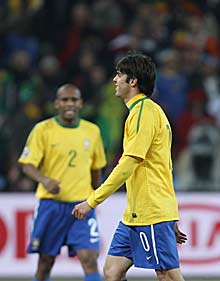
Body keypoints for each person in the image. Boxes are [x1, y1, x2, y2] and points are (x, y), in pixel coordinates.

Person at [71, 53, 187, 281]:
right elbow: (165, 166)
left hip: (151, 210)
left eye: (119, 75)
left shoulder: (144, 113)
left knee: (167, 275)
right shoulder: (143, 112)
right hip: (136, 213)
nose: (115, 79)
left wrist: (92, 201)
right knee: (112, 271)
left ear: (132, 81)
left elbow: (128, 164)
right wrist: (171, 213)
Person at [18, 84, 107, 281]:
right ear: (56, 104)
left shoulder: (92, 131)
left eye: (74, 100)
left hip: (82, 206)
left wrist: (94, 195)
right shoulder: (43, 130)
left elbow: (96, 167)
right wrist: (44, 180)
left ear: (81, 104)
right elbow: (27, 165)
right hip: (52, 204)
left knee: (89, 258)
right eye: (65, 100)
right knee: (45, 262)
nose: (69, 104)